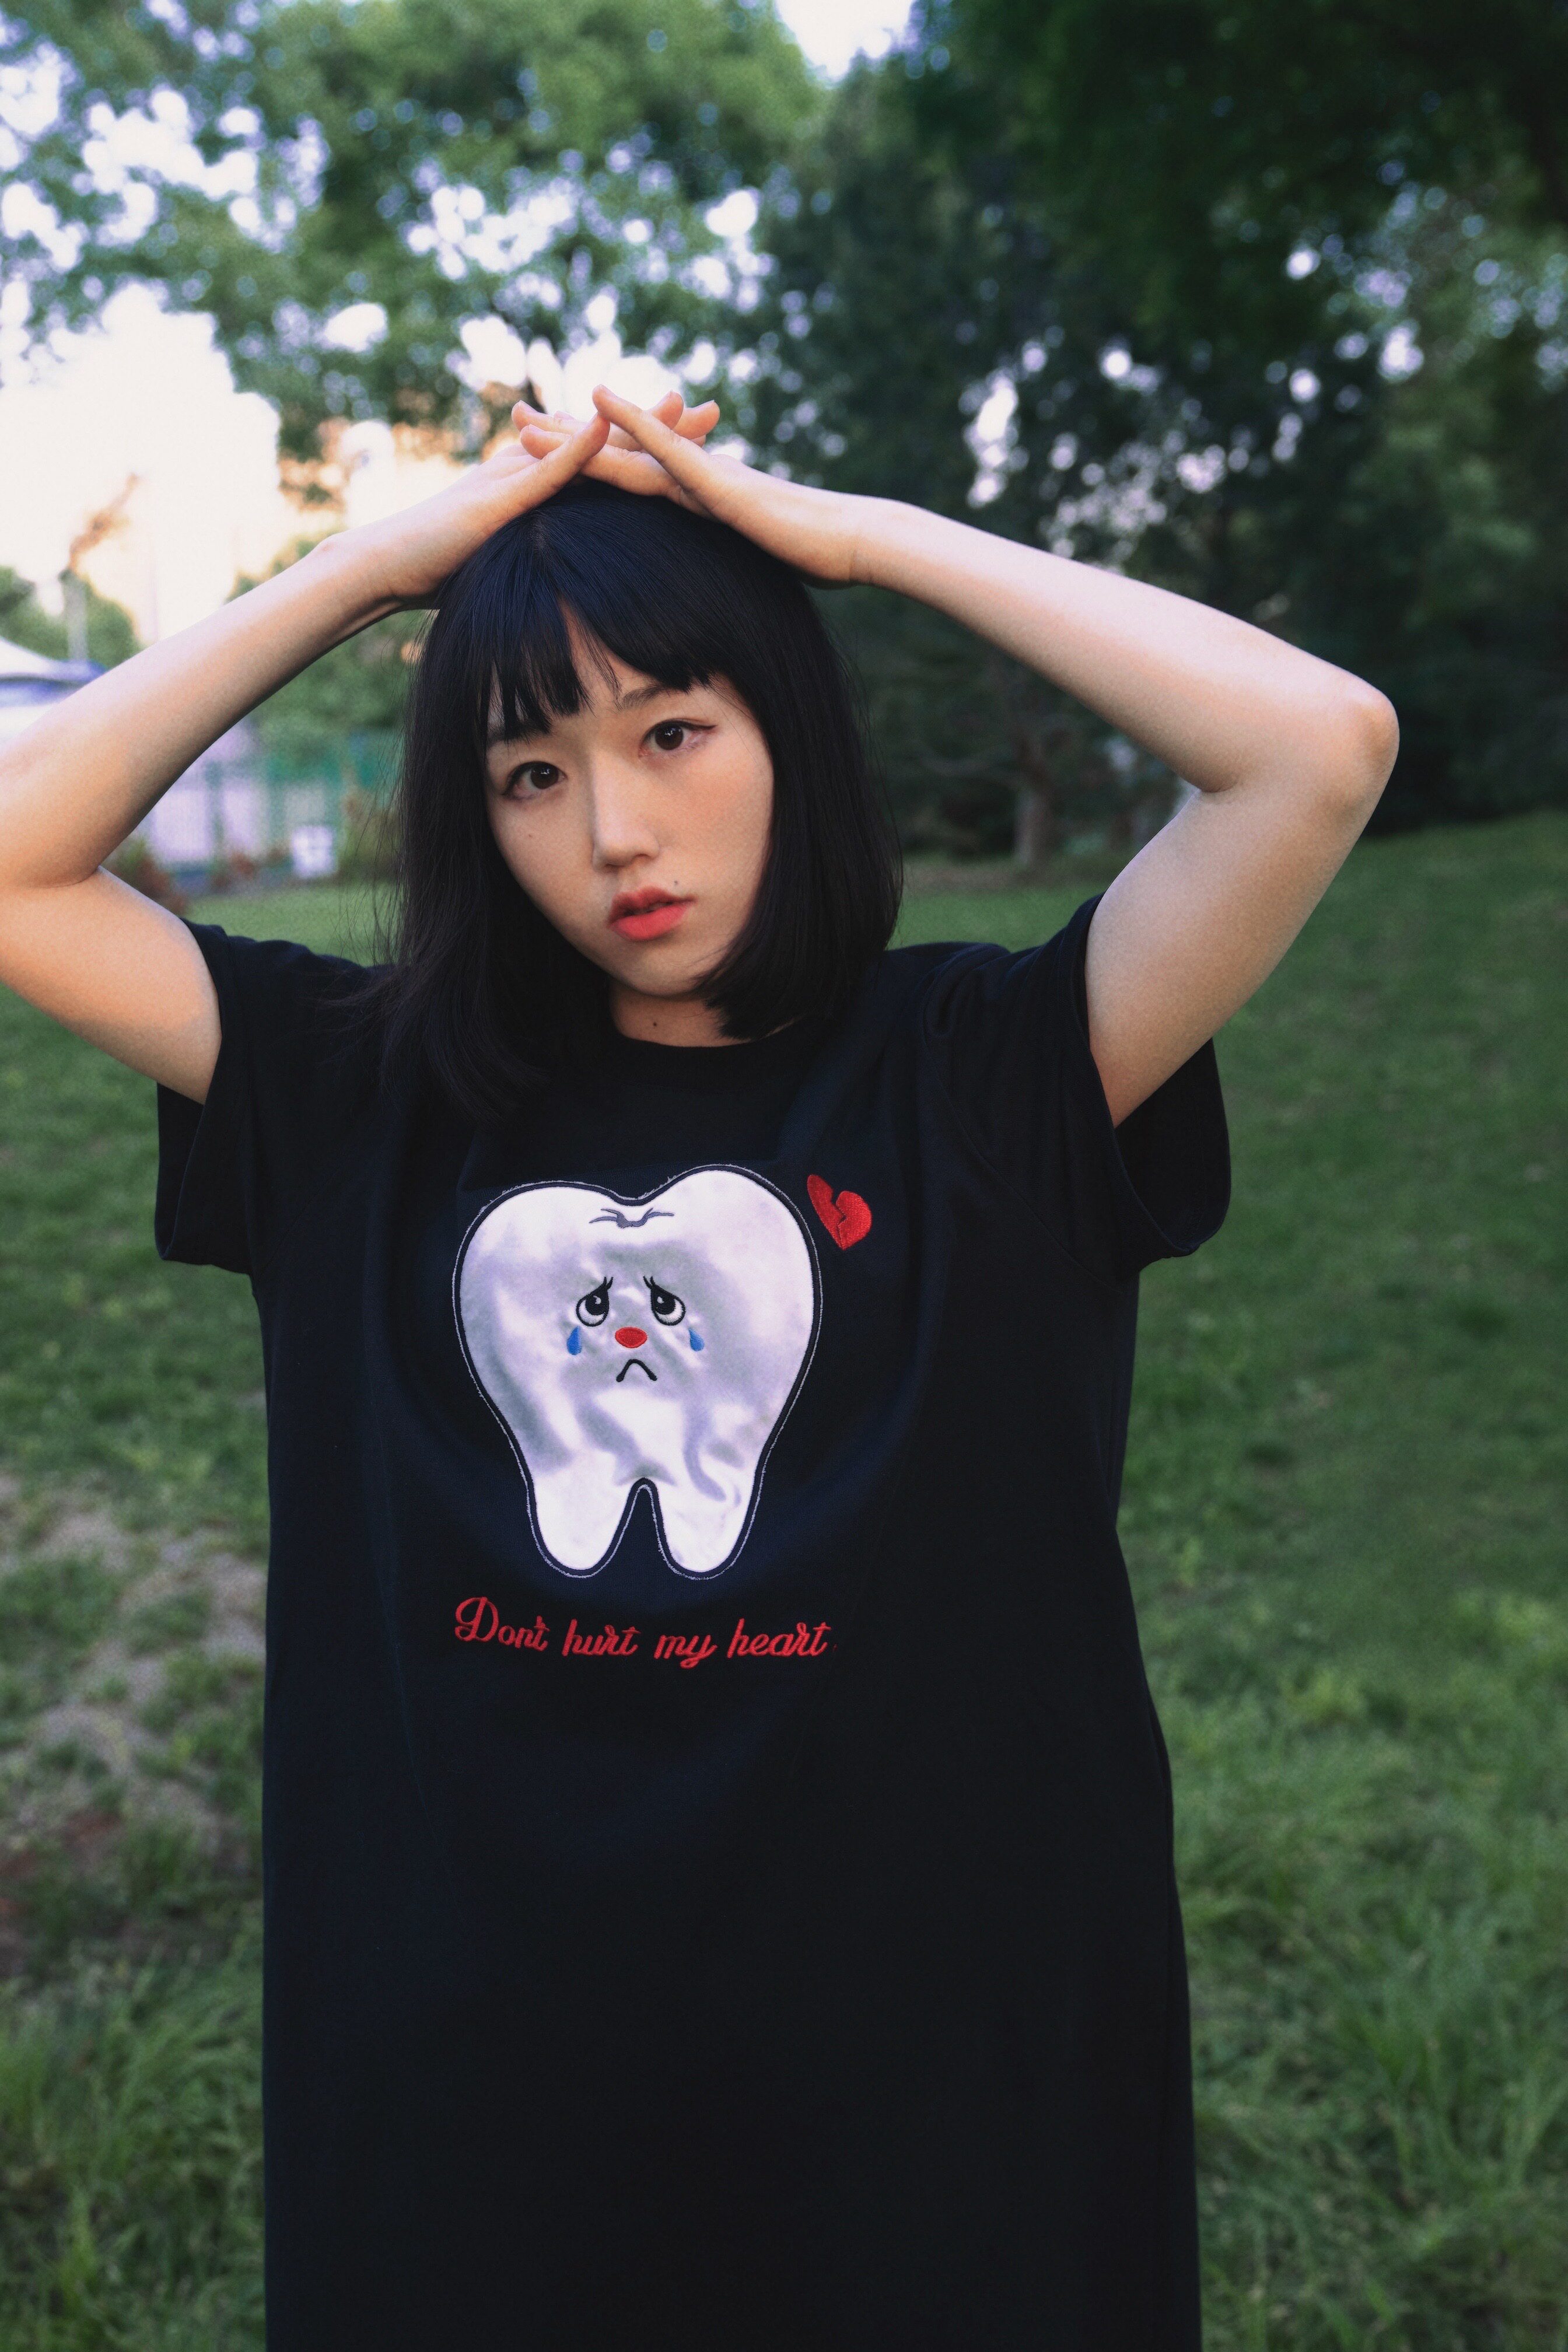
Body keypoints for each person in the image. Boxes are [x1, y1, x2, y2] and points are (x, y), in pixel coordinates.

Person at [0, 384, 1396, 2348]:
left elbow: (1317, 750)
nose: (616, 833)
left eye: (673, 731)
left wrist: (852, 538)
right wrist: (376, 572)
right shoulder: (356, 1098)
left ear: (783, 733)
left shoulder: (994, 1075)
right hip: (474, 2104)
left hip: (938, 2106)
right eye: (531, 770)